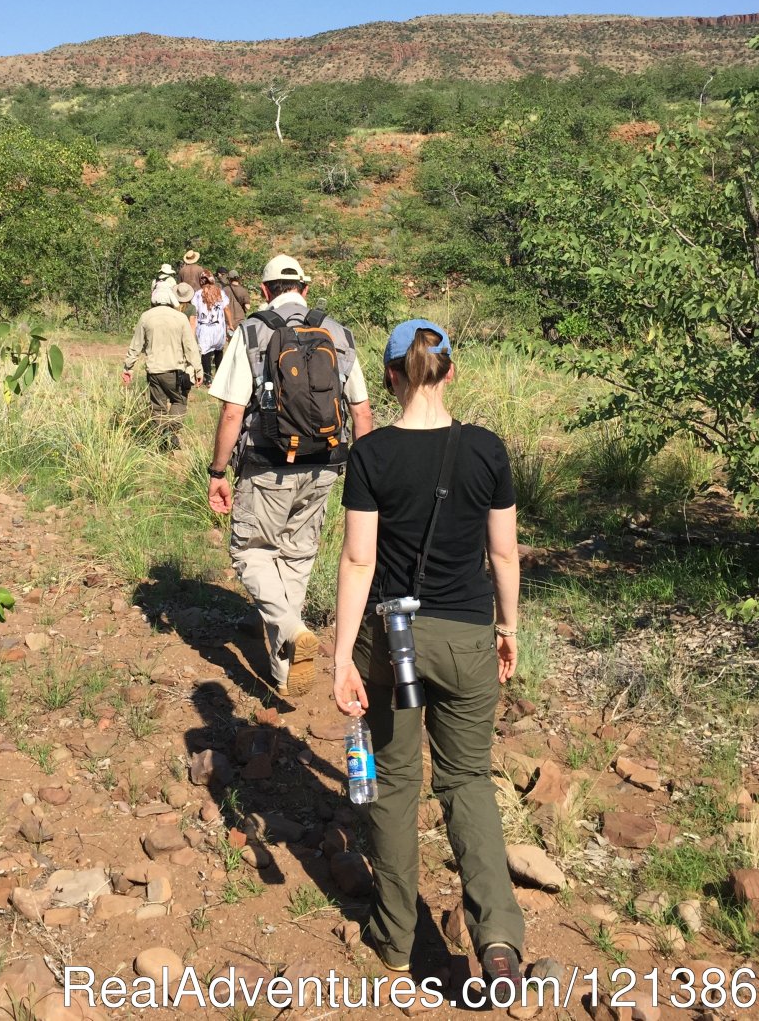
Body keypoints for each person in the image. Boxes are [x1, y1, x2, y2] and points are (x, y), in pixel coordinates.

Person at [332, 319, 523, 989]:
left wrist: (340, 656)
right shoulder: (486, 449)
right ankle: (497, 934)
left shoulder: (372, 454)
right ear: (451, 371)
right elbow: (503, 552)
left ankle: (394, 936)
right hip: (470, 633)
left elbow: (359, 560)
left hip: (394, 638)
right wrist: (510, 626)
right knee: (467, 780)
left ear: (390, 377)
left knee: (394, 782)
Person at [207, 254, 373, 696]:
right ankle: (284, 672)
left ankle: (288, 628)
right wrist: (362, 470)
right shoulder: (336, 333)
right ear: (305, 287)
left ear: (263, 291)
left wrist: (217, 470)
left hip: (267, 464)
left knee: (250, 552)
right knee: (296, 558)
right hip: (327, 465)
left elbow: (231, 412)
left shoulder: (251, 331)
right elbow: (361, 410)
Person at [122, 282, 202, 448]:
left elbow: (136, 345)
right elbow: (190, 346)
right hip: (176, 371)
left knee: (158, 407)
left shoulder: (146, 317)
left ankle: (161, 440)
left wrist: (128, 367)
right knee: (179, 401)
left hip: (155, 371)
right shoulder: (180, 318)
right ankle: (171, 432)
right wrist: (198, 369)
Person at [192, 272, 232, 382]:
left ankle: (208, 378)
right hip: (218, 326)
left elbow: (194, 311)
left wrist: (193, 327)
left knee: (205, 352)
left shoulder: (198, 294)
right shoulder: (220, 292)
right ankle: (219, 376)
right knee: (218, 350)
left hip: (204, 327)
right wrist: (230, 324)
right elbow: (226, 308)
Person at [216, 267, 246, 332]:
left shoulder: (223, 288)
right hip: (239, 318)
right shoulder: (242, 290)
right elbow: (247, 306)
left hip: (227, 317)